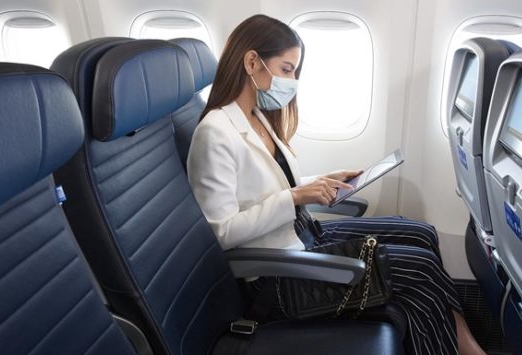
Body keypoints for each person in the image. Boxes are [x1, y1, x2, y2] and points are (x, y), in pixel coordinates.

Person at [187, 14, 486, 355]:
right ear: (252, 61)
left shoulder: (255, 118)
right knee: (420, 269)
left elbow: (267, 184)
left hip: (305, 237)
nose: (293, 80)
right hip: (278, 277)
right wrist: (295, 196)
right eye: (286, 69)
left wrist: (320, 181)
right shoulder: (214, 133)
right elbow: (221, 233)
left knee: (421, 233)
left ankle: (466, 345)